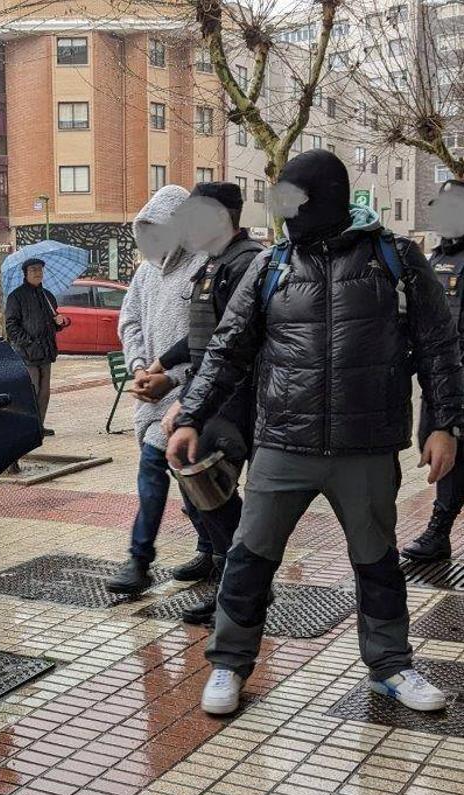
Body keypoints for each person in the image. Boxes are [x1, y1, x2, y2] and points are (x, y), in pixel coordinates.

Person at [167, 149, 464, 716]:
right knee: (250, 556)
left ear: (326, 196)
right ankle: (229, 662)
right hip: (282, 442)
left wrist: (445, 423)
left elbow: (438, 347)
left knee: (377, 561)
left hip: (366, 446)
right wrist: (190, 416)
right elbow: (228, 351)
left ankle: (391, 666)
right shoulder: (273, 264)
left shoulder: (394, 258)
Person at [152, 182, 263, 623]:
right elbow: (202, 335)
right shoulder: (215, 264)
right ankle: (234, 579)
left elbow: (232, 342)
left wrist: (191, 407)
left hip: (238, 400)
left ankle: (240, 585)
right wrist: (161, 364)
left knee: (203, 479)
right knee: (201, 488)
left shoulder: (248, 264)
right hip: (209, 395)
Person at [106, 184, 214, 595]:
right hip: (149, 391)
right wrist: (137, 367)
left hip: (190, 393)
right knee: (183, 475)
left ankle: (140, 560)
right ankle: (210, 548)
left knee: (161, 468)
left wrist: (176, 379)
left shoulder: (204, 266)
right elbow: (129, 320)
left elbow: (209, 339)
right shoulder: (145, 272)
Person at [403, 179, 464, 563]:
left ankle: (439, 529)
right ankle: (439, 533)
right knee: (437, 445)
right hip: (440, 375)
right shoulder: (434, 258)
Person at [5, 257, 67, 435]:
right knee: (33, 390)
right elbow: (11, 326)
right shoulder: (16, 297)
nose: (38, 273)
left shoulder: (47, 296)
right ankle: (29, 426)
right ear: (25, 273)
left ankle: (39, 426)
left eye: (40, 269)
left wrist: (59, 322)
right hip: (27, 353)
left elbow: (53, 324)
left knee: (44, 392)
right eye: (33, 270)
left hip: (46, 351)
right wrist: (28, 342)